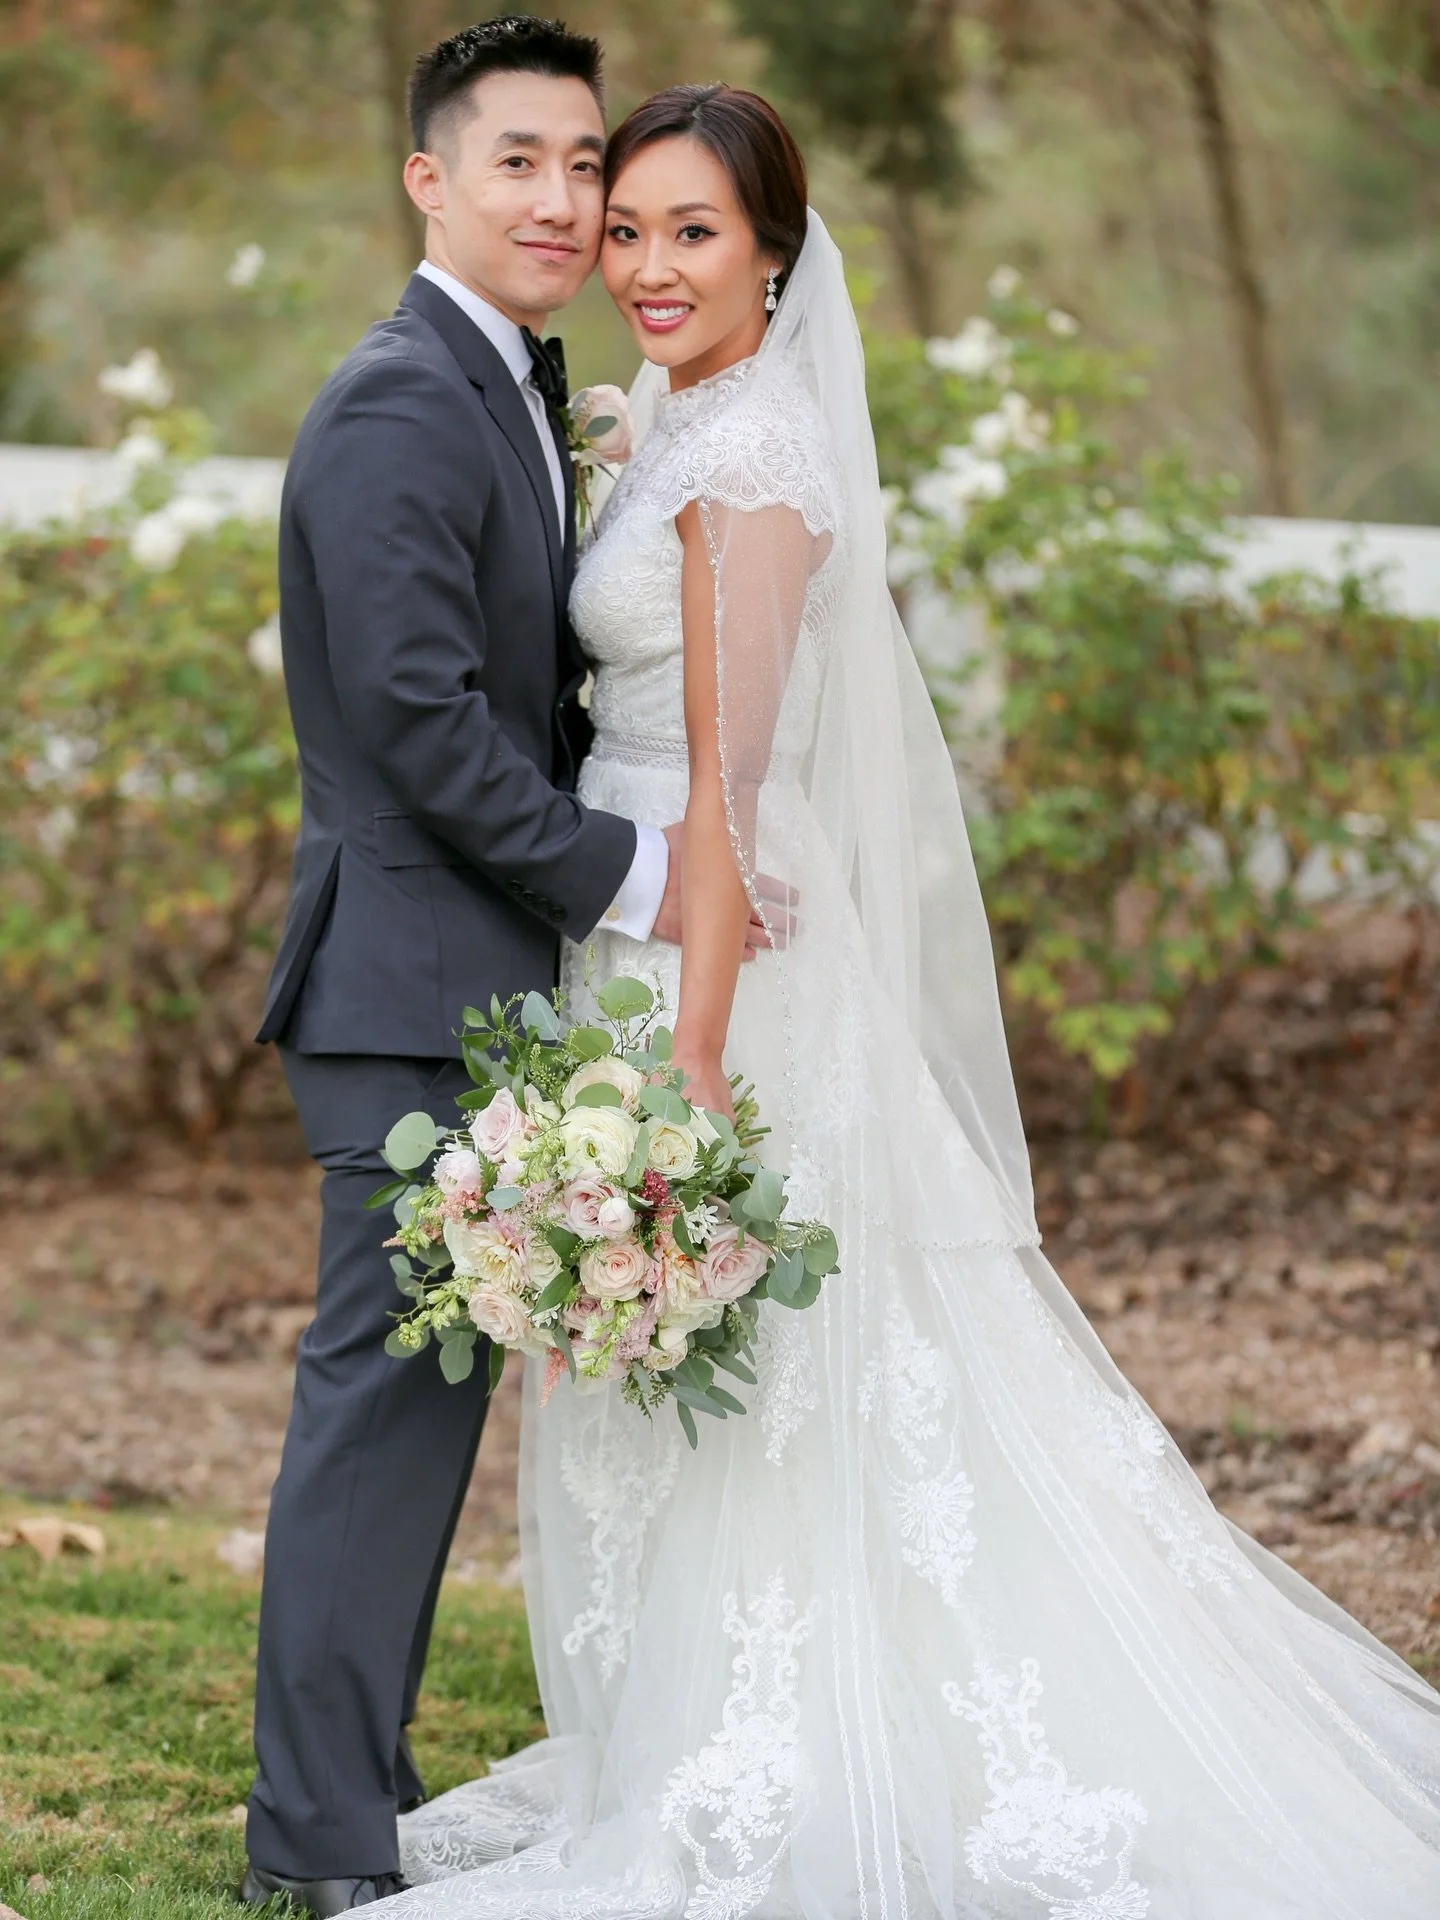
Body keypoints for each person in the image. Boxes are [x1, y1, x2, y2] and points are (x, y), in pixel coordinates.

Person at [364, 80, 1440, 1920]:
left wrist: (695, 1060)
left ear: (776, 254)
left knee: (779, 1371)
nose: (648, 265)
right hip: (641, 931)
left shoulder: (750, 459)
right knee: (715, 1380)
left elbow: (727, 791)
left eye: (694, 232)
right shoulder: (684, 422)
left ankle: (787, 1745)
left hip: (713, 961)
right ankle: (689, 1728)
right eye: (628, 230)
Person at [243, 21, 776, 1914]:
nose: (561, 202)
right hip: (405, 979)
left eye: (584, 165)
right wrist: (633, 868)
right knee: (381, 1420)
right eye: (520, 163)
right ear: (431, 180)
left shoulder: (501, 382)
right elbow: (415, 718)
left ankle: (354, 1788)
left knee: (419, 1417)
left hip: (464, 975)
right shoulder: (403, 401)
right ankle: (316, 1844)